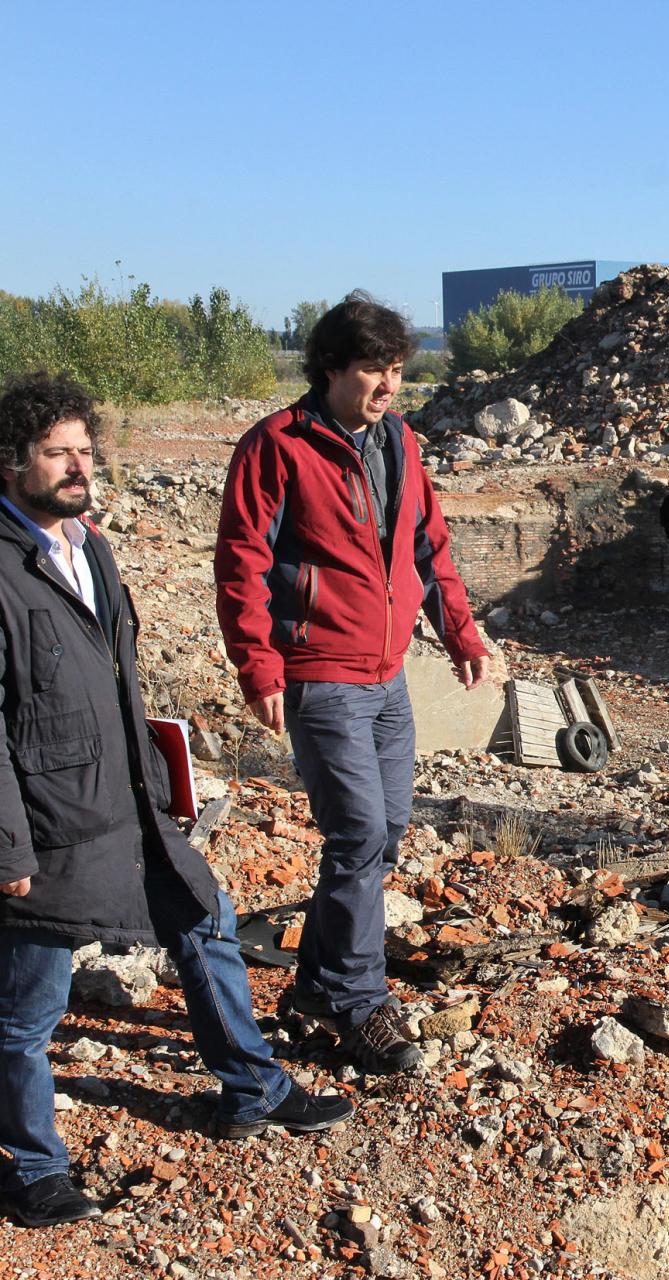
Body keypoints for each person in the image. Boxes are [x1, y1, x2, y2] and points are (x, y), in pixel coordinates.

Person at [0, 373, 352, 1229]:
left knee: (208, 926)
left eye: (86, 450)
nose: (80, 467)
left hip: (131, 805)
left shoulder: (87, 545)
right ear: (10, 463)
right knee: (26, 1011)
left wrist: (162, 778)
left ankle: (253, 1088)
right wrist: (5, 848)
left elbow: (113, 679)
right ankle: (31, 1166)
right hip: (48, 829)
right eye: (58, 453)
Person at [215, 292, 488, 1075]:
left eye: (398, 370)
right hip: (320, 672)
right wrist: (258, 664)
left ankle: (315, 987)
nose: (389, 386)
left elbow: (429, 546)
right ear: (331, 367)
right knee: (358, 834)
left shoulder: (399, 441)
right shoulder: (277, 445)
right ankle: (360, 1004)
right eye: (374, 369)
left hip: (388, 676)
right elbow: (243, 561)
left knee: (383, 835)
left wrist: (459, 631)